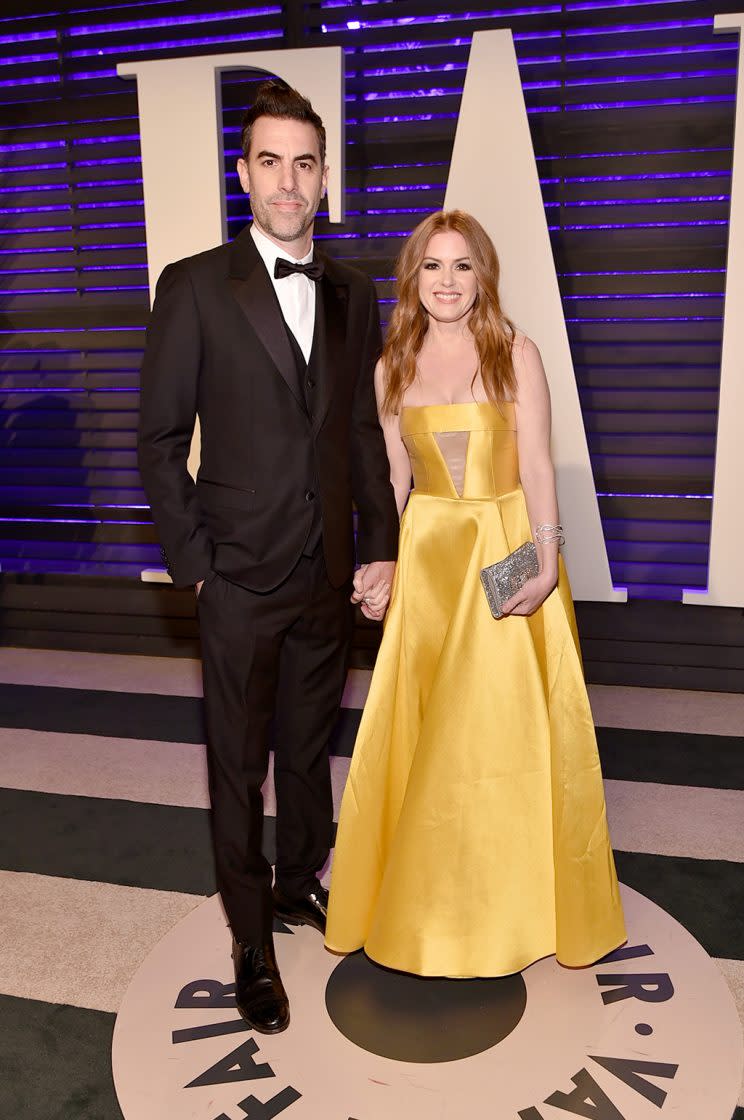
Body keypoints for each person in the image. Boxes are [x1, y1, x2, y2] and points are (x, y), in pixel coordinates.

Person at [137, 80, 398, 1032]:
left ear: (324, 177)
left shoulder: (356, 290)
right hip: (238, 575)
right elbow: (160, 439)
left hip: (328, 572)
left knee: (307, 756)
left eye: (305, 163)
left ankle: (297, 887)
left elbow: (362, 433)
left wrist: (380, 548)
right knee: (237, 767)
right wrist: (195, 561)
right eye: (270, 161)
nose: (288, 181)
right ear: (243, 173)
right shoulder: (196, 285)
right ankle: (250, 940)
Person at [325, 210, 626, 977]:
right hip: (430, 559)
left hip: (502, 551)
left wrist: (548, 563)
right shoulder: (391, 363)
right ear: (413, 276)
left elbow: (536, 470)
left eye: (463, 266)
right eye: (433, 265)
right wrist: (381, 562)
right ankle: (424, 893)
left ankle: (513, 897)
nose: (448, 281)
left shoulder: (514, 353)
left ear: (482, 275)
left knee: (497, 730)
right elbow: (393, 479)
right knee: (427, 730)